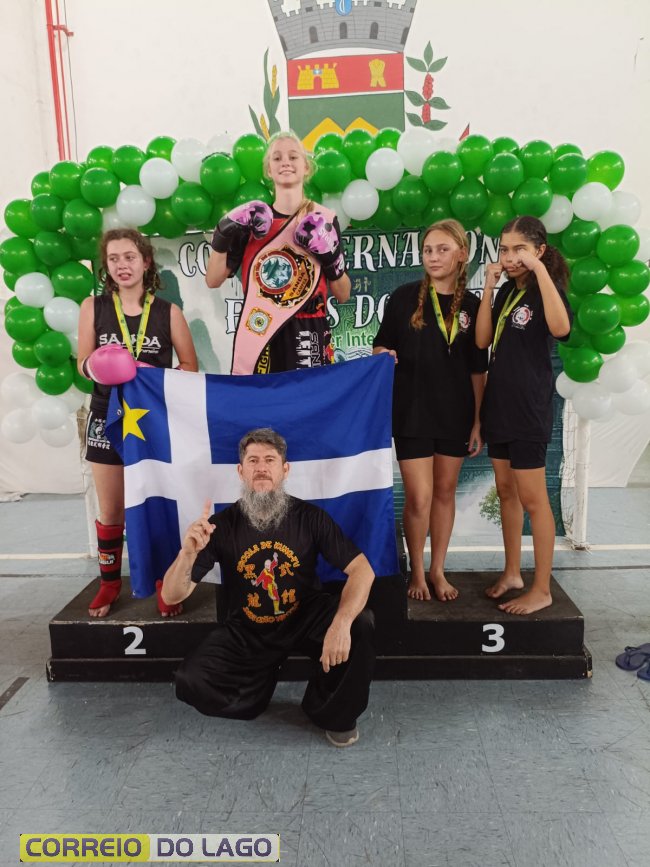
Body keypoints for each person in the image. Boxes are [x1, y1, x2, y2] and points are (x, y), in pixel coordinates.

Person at [161, 428, 375, 747]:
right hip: (248, 630)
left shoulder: (310, 517)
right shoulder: (221, 525)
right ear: (241, 471)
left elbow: (362, 570)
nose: (261, 468)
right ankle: (255, 694)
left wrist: (341, 623)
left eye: (270, 460)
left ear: (285, 469)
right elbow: (171, 595)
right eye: (253, 461)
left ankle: (331, 713)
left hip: (303, 617)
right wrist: (187, 554)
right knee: (190, 681)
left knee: (360, 622)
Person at [77, 228, 198, 618]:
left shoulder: (168, 312)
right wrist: (98, 366)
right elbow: (81, 363)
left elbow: (190, 367)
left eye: (129, 257)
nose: (121, 265)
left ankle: (165, 582)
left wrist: (150, 372)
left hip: (153, 422)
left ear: (145, 261)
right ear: (106, 266)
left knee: (156, 503)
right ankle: (110, 583)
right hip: (106, 416)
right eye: (113, 259)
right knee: (112, 508)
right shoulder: (93, 307)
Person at [373, 220, 488, 602]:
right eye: (428, 250)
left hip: (455, 412)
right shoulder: (403, 297)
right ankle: (417, 572)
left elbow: (478, 369)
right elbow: (380, 345)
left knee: (444, 492)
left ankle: (438, 569)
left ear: (461, 254)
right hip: (411, 411)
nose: (433, 257)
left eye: (442, 249)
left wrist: (477, 420)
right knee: (419, 496)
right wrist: (384, 355)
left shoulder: (473, 307)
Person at [476, 215, 572, 615]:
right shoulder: (505, 292)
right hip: (499, 406)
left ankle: (542, 589)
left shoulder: (545, 290)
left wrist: (540, 271)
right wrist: (488, 288)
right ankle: (513, 572)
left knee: (534, 500)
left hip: (529, 409)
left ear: (540, 250)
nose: (511, 256)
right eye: (504, 249)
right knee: (506, 492)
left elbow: (561, 328)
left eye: (520, 249)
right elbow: (482, 340)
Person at [205, 131, 351, 374]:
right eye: (277, 158)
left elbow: (343, 294)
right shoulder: (251, 220)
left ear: (306, 167)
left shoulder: (324, 219)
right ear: (268, 170)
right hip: (261, 329)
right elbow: (213, 279)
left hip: (308, 331)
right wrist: (221, 234)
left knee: (310, 398)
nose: (285, 162)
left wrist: (331, 259)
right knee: (261, 398)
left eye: (293, 157)